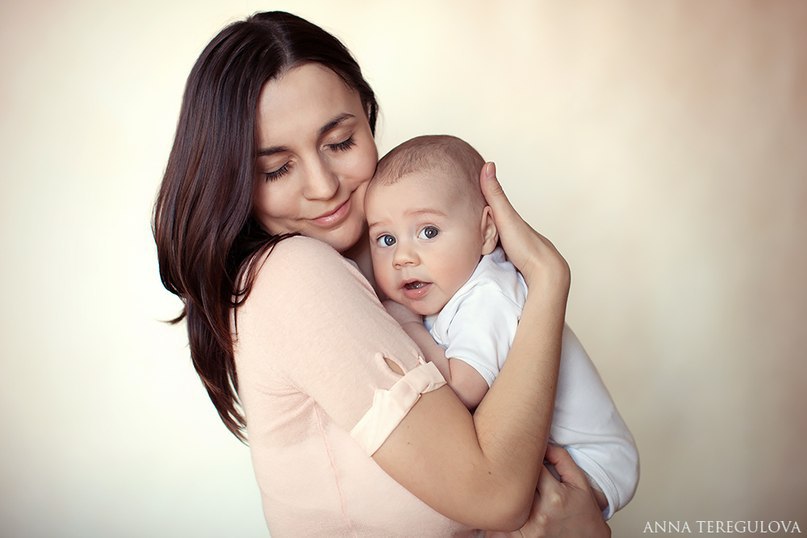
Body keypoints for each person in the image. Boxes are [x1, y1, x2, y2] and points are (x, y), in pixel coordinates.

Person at [153, 10, 612, 537]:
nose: (323, 185)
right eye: (276, 169)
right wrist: (548, 283)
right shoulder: (296, 274)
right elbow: (495, 493)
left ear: (368, 121)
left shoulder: (408, 265)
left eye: (341, 142)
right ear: (232, 182)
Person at [365, 134, 639, 519]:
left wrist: (408, 325)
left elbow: (462, 389)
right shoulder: (450, 291)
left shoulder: (489, 294)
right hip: (543, 449)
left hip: (591, 461)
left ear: (487, 231)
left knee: (501, 510)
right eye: (386, 238)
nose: (403, 257)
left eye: (428, 231)